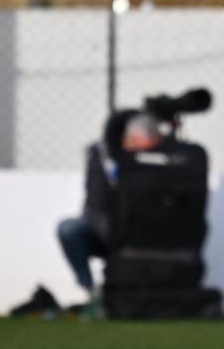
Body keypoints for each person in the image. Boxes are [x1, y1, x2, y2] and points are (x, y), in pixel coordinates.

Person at [57, 111, 166, 313]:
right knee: (68, 229)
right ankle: (92, 292)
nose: (153, 146)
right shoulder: (103, 158)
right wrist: (119, 238)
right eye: (150, 141)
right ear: (132, 138)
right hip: (108, 234)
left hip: (144, 235)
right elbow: (97, 207)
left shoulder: (159, 160)